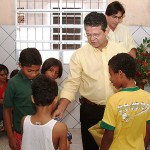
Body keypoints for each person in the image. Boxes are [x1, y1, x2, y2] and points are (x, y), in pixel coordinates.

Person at [53, 12, 128, 150]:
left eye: (96, 34)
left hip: (117, 109)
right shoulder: (79, 55)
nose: (92, 38)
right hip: (90, 110)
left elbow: (128, 80)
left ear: (106, 31)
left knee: (117, 146)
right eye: (88, 34)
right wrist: (61, 107)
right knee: (90, 146)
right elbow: (72, 83)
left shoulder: (120, 51)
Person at [100, 53, 150, 150]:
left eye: (111, 75)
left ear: (120, 73)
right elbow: (148, 131)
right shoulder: (148, 98)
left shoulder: (113, 100)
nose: (110, 79)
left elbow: (108, 135)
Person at [3, 48, 42, 150]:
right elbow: (7, 110)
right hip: (21, 133)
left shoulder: (42, 80)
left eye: (37, 70)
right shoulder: (13, 83)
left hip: (41, 131)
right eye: (29, 70)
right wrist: (11, 137)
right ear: (20, 65)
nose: (33, 74)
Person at [21, 74, 69, 150]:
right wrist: (67, 142)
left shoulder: (24, 120)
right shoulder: (60, 128)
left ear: (33, 99)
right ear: (55, 99)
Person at [41, 58, 72, 142]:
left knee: (67, 137)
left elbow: (58, 112)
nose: (53, 74)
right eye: (51, 70)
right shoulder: (36, 86)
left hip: (52, 122)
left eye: (57, 72)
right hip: (38, 122)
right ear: (44, 70)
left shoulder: (59, 90)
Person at [0, 64, 9, 132]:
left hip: (8, 106)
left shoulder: (9, 83)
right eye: (2, 75)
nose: (5, 77)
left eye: (6, 74)